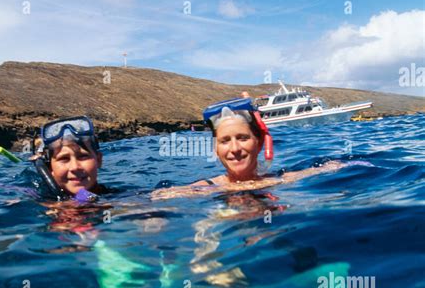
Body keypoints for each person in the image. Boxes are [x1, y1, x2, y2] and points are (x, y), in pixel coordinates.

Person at [151, 97, 347, 200]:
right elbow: (144, 203)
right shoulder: (202, 189)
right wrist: (151, 215)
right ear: (215, 149)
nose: (234, 148)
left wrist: (337, 167)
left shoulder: (282, 179)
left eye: (243, 138)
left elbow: (336, 168)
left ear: (259, 143)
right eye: (225, 141)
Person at [32, 116, 110, 198]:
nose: (75, 167)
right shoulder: (34, 198)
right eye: (64, 159)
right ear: (49, 168)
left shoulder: (119, 201)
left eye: (83, 157)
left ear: (98, 160)